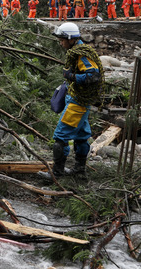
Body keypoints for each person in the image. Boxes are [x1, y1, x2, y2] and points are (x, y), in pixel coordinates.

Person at [46, 22, 105, 177]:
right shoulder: (77, 51)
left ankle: (57, 174)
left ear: (71, 38)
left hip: (77, 103)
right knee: (81, 137)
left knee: (60, 137)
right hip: (80, 101)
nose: (60, 42)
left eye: (62, 39)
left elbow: (93, 75)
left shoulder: (81, 54)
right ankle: (79, 171)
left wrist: (70, 76)